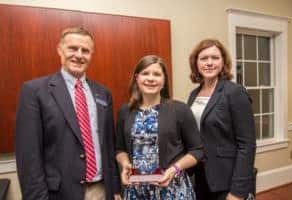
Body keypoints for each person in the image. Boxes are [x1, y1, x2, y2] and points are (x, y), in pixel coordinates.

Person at [16, 27, 121, 200]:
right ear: (60, 50)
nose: (79, 55)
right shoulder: (34, 91)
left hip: (102, 190)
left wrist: (116, 189)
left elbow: (109, 144)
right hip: (59, 194)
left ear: (91, 54)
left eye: (85, 50)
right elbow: (29, 157)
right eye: (72, 48)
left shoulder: (103, 93)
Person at [115, 55, 206, 199]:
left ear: (163, 80)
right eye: (145, 73)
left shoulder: (179, 110)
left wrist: (174, 169)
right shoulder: (125, 111)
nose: (151, 78)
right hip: (136, 192)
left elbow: (197, 150)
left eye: (157, 74)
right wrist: (125, 163)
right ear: (137, 78)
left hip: (173, 190)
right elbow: (120, 149)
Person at [187, 39, 256, 200]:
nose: (209, 63)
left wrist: (238, 192)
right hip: (200, 176)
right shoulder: (194, 94)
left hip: (227, 180)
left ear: (223, 61)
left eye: (215, 58)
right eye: (204, 58)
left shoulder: (235, 92)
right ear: (196, 62)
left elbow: (247, 145)